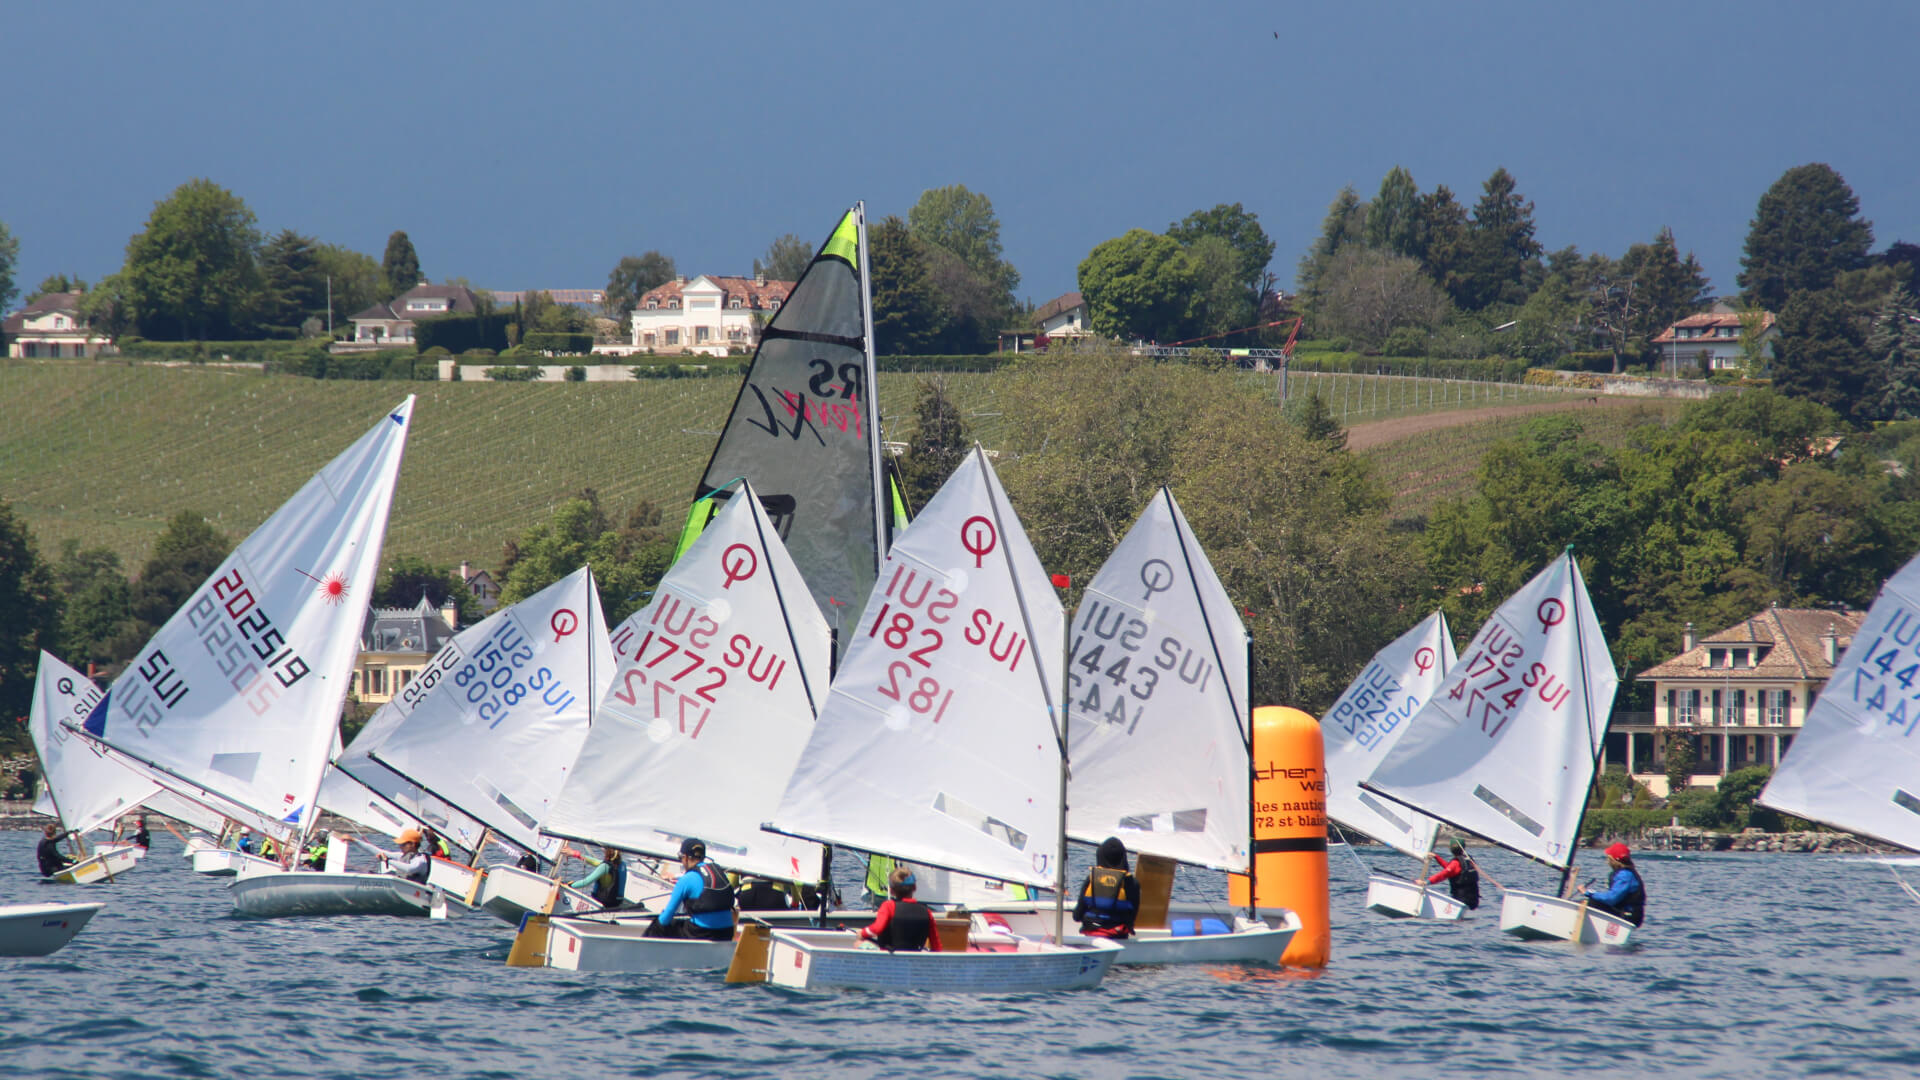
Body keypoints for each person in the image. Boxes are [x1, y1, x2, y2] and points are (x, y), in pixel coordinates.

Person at [643, 838, 736, 941]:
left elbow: (666, 917)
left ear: (686, 857)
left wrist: (653, 930)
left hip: (702, 933)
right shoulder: (717, 871)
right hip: (727, 932)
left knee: (660, 925)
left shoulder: (686, 879)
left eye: (680, 858)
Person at [857, 868, 942, 952]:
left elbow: (877, 928)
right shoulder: (927, 912)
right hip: (914, 958)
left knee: (858, 943)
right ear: (915, 888)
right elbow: (936, 945)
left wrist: (862, 933)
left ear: (891, 890)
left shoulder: (889, 906)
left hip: (890, 958)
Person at [1073, 837, 1142, 938]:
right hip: (1118, 936)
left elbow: (1077, 916)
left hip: (1091, 933)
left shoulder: (1091, 879)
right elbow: (1132, 917)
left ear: (1100, 855)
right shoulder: (1132, 883)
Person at [1583, 842, 1647, 926]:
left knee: (1592, 902)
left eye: (1608, 858)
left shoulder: (1625, 875)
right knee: (1591, 902)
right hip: (1625, 912)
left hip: (1629, 916)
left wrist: (1589, 893)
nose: (1607, 861)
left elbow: (1611, 899)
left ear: (1614, 860)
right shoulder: (1625, 873)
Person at [1422, 838, 1481, 910]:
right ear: (1463, 848)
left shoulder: (1455, 863)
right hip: (1473, 901)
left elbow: (1443, 874)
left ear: (1450, 849)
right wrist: (1436, 857)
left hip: (1461, 901)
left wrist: (1426, 882)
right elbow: (1450, 869)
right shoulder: (1468, 860)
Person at [569, 845, 629, 911]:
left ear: (606, 852)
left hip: (603, 903)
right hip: (617, 903)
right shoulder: (622, 864)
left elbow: (586, 882)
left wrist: (570, 885)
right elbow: (595, 861)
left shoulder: (605, 866)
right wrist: (575, 854)